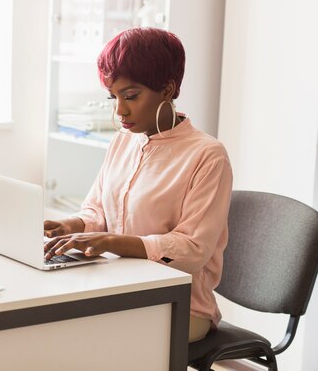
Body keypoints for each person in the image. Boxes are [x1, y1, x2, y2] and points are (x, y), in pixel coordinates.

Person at [43, 27, 233, 343]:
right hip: (117, 285)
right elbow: (97, 211)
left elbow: (193, 250)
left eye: (131, 96)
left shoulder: (207, 156)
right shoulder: (123, 142)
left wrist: (114, 242)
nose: (120, 111)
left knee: (82, 336)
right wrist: (71, 226)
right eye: (113, 97)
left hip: (181, 306)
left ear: (168, 89)